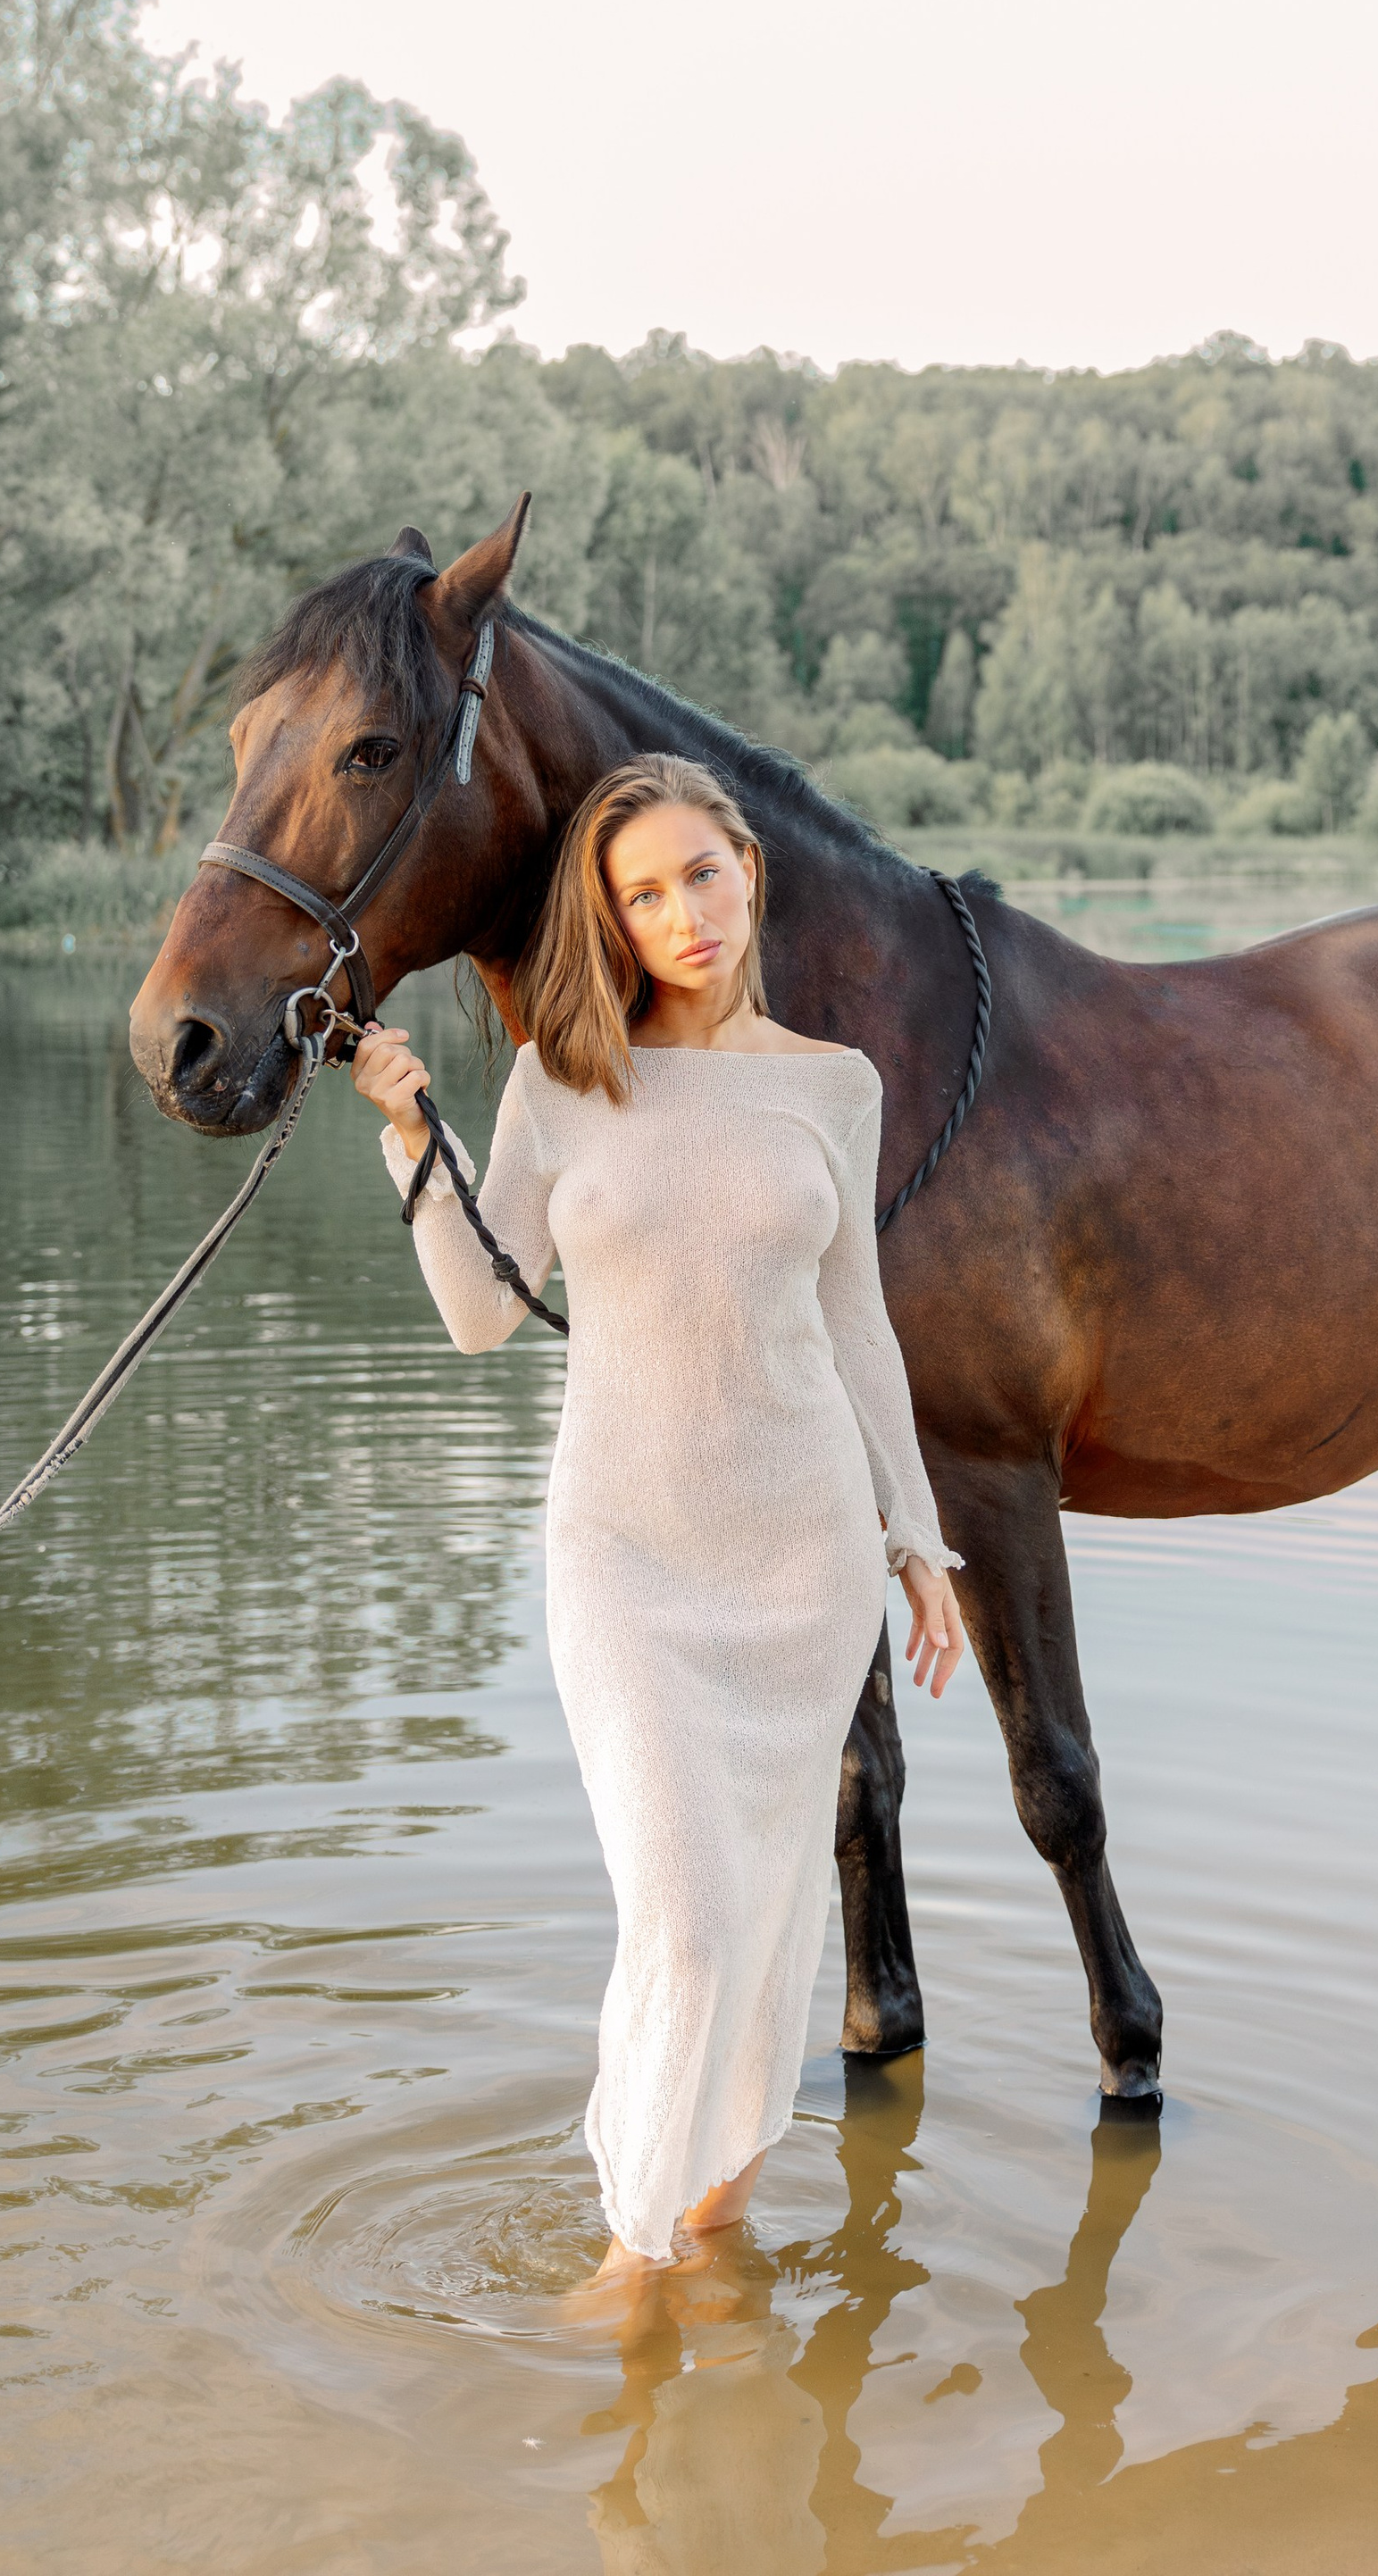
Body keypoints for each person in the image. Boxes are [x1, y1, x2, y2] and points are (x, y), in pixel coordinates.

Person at [350, 752, 965, 2274]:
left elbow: (860, 1323)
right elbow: (484, 1316)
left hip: (803, 1559)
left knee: (763, 1925)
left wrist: (917, 1539)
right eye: (642, 895)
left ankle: (712, 2231)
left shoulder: (835, 1086)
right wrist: (415, 1138)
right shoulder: (560, 1082)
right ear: (610, 922)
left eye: (701, 873)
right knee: (685, 1918)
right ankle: (637, 2255)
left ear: (749, 868)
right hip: (624, 1559)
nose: (683, 913)